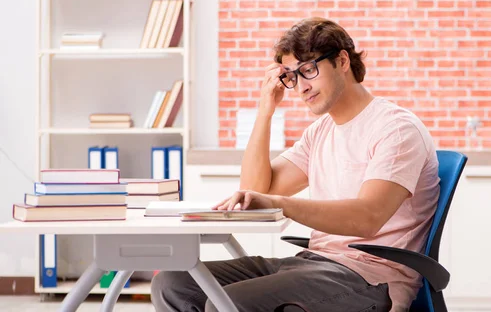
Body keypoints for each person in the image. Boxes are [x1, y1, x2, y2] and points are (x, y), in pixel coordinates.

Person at [151, 17, 440, 312]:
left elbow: (367, 218)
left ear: (342, 61)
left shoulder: (395, 129)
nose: (301, 87)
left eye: (308, 70)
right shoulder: (321, 131)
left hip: (369, 279)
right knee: (174, 284)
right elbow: (254, 189)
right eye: (291, 77)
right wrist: (266, 110)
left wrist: (281, 203)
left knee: (227, 304)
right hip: (315, 263)